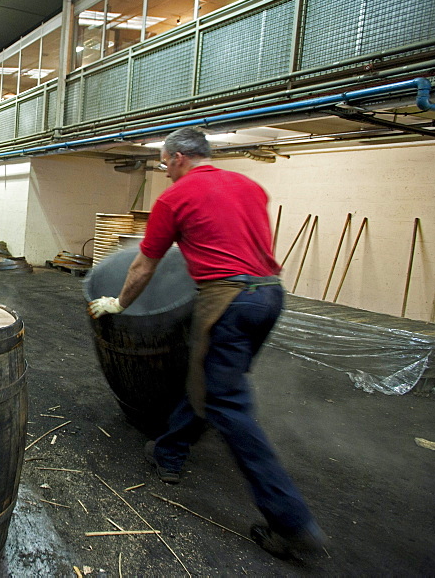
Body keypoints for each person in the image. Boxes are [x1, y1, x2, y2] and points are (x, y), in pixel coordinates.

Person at [87, 127, 325, 559]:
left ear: (178, 158)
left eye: (163, 162)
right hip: (269, 294)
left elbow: (143, 267)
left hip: (228, 300)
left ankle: (291, 522)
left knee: (228, 405)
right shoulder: (248, 186)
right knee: (211, 379)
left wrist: (117, 304)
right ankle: (170, 451)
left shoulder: (174, 198)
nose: (165, 170)